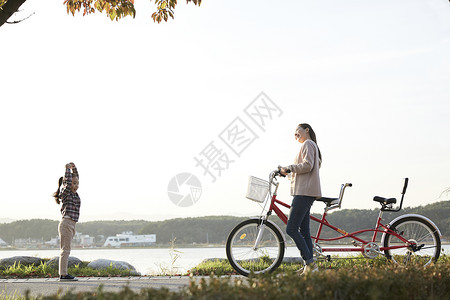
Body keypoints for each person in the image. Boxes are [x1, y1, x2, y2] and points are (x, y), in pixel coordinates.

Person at [280, 123, 322, 275]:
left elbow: (308, 165)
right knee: (304, 231)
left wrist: (290, 167)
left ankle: (310, 265)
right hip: (306, 191)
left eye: (297, 131)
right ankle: (309, 267)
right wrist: (287, 172)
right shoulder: (310, 145)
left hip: (304, 193)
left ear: (307, 130)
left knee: (291, 228)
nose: (295, 134)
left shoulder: (308, 143)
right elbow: (305, 170)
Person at [53, 162, 81, 281]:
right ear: (67, 184)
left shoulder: (75, 195)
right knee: (65, 250)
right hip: (66, 223)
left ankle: (63, 274)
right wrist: (67, 170)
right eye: (74, 183)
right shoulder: (66, 193)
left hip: (72, 224)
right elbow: (68, 182)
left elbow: (76, 177)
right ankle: (63, 274)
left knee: (66, 249)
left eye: (77, 183)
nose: (76, 185)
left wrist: (74, 168)